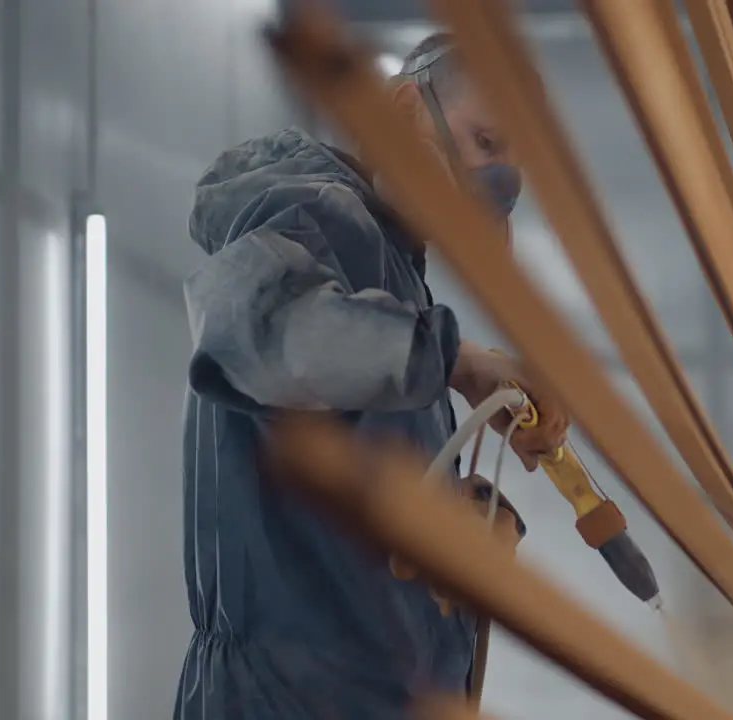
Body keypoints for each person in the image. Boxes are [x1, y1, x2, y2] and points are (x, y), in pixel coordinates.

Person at [175, 32, 569, 719]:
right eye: (485, 141)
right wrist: (453, 360)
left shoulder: (393, 281)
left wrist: (453, 533)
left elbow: (345, 544)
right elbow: (268, 331)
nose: (497, 186)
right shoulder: (311, 212)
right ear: (405, 110)